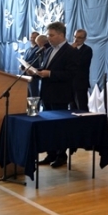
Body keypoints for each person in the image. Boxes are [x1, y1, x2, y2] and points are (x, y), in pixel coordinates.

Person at [36, 21, 78, 168]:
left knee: (59, 127)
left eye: (51, 35)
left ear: (61, 35)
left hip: (60, 95)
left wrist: (50, 74)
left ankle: (61, 155)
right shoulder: (48, 50)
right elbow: (46, 68)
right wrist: (34, 71)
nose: (48, 38)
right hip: (47, 94)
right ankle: (51, 154)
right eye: (48, 35)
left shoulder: (70, 51)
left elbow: (71, 74)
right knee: (48, 126)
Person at [70, 28, 92, 111]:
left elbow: (79, 63)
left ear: (84, 39)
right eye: (75, 37)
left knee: (81, 106)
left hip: (80, 83)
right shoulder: (69, 49)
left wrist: (73, 50)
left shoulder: (87, 50)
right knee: (72, 107)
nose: (76, 39)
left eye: (79, 37)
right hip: (70, 82)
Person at [21, 31, 41, 97]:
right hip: (25, 74)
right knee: (26, 94)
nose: (32, 39)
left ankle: (35, 104)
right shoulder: (28, 49)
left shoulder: (39, 49)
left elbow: (36, 61)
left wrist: (25, 66)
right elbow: (24, 60)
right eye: (31, 37)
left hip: (33, 75)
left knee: (33, 94)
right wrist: (22, 65)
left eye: (34, 37)